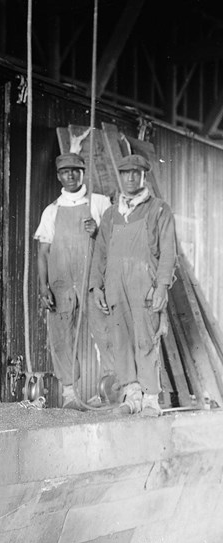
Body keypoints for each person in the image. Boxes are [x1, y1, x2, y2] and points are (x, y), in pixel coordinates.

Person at [90, 154, 177, 416]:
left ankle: (151, 400)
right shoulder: (110, 214)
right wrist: (96, 287)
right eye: (125, 173)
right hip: (115, 286)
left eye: (135, 173)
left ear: (143, 175)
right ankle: (133, 396)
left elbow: (169, 251)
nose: (130, 178)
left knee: (146, 340)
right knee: (121, 341)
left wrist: (161, 286)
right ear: (120, 176)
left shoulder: (158, 209)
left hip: (145, 288)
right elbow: (100, 254)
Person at [34, 153, 113, 409]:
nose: (70, 176)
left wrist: (98, 232)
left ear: (83, 172)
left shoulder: (100, 203)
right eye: (65, 172)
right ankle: (70, 395)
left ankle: (110, 392)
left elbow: (118, 240)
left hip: (94, 281)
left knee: (105, 332)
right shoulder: (51, 210)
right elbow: (43, 252)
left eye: (75, 171)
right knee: (62, 338)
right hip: (61, 285)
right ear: (58, 176)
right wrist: (43, 286)